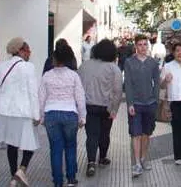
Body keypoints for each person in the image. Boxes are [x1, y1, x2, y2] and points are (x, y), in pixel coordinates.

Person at [0, 38, 39, 187]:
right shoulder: (28, 67)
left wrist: (2, 105)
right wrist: (36, 114)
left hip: (5, 112)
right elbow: (33, 93)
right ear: (20, 51)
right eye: (28, 50)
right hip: (23, 111)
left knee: (11, 144)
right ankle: (21, 170)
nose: (30, 53)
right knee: (30, 144)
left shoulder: (1, 66)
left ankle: (13, 177)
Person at [39, 44, 86, 187]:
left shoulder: (47, 76)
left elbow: (41, 97)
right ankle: (71, 179)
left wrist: (41, 116)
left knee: (55, 148)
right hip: (70, 114)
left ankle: (58, 182)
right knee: (71, 146)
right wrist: (82, 117)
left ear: (54, 59)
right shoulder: (73, 76)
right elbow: (80, 97)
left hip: (51, 115)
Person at [79, 39, 123, 177]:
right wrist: (114, 109)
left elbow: (78, 88)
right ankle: (102, 158)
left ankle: (91, 162)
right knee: (105, 133)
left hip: (89, 106)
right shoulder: (113, 68)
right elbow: (117, 91)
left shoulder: (84, 66)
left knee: (91, 135)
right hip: (106, 107)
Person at [124, 34, 160, 177]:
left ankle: (144, 158)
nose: (143, 47)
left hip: (150, 103)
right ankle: (137, 163)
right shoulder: (129, 62)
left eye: (145, 44)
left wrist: (156, 99)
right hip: (136, 104)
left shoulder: (153, 63)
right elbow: (128, 83)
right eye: (140, 44)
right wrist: (130, 103)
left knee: (146, 134)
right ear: (135, 46)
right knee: (136, 134)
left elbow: (157, 82)